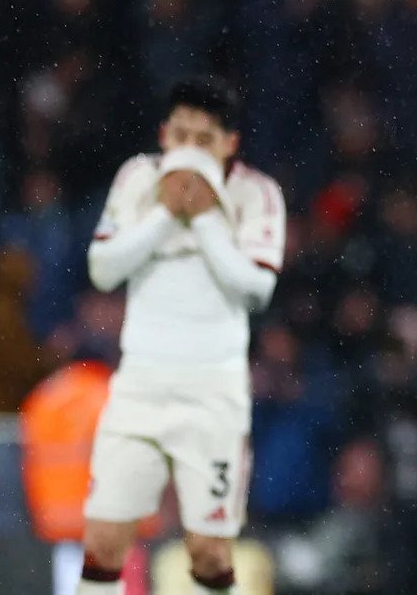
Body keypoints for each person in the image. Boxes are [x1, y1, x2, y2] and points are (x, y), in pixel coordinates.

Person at [77, 77, 286, 595]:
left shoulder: (257, 192)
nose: (190, 151)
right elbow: (102, 269)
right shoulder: (137, 178)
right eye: (182, 136)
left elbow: (257, 288)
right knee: (103, 541)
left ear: (229, 143)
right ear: (163, 134)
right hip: (138, 389)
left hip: (211, 395)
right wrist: (167, 213)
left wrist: (206, 218)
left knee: (210, 553)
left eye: (205, 140)